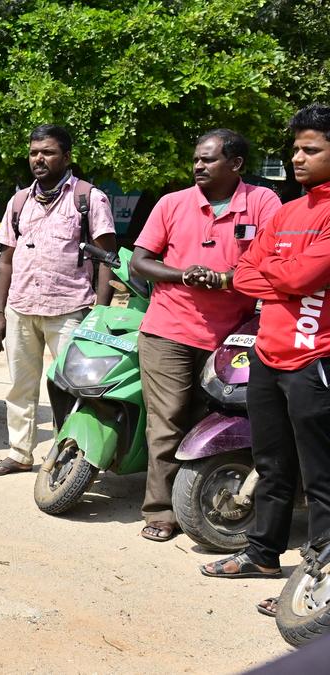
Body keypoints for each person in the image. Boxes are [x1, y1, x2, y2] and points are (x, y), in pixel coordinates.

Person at [201, 105, 330, 619]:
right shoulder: (287, 211)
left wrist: (277, 272)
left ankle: (318, 581)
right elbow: (243, 272)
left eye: (311, 149)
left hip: (314, 359)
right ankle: (261, 556)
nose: (297, 157)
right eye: (296, 148)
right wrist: (284, 271)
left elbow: (299, 281)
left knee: (321, 476)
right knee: (273, 465)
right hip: (268, 356)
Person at [128, 129, 281, 542]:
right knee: (168, 421)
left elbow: (270, 263)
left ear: (235, 165)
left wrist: (227, 280)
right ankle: (160, 511)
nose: (198, 166)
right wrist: (184, 274)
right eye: (196, 159)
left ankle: (196, 503)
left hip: (234, 336)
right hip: (168, 330)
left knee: (212, 421)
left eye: (209, 160)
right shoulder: (172, 203)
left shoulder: (263, 202)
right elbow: (141, 261)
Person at [0, 124, 117, 476]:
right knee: (20, 386)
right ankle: (19, 453)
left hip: (70, 308)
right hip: (21, 307)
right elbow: (6, 260)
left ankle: (66, 459)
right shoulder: (19, 201)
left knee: (71, 389)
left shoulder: (88, 198)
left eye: (48, 152)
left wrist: (98, 314)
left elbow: (107, 260)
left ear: (67, 157)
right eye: (34, 153)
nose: (39, 159)